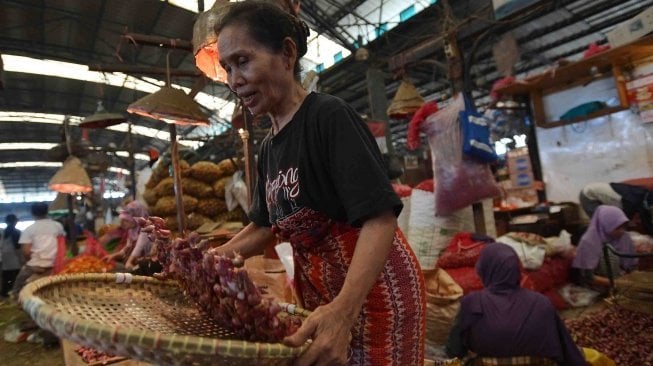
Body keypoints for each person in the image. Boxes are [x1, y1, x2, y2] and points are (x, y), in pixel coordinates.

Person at [211, 2, 426, 365]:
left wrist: (343, 311)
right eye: (227, 68)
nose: (234, 81)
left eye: (243, 61)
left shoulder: (328, 117)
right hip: (325, 298)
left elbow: (380, 219)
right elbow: (265, 225)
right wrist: (206, 261)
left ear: (287, 53)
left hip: (374, 298)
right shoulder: (269, 148)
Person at [446, 242, 586, 365]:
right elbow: (566, 349)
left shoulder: (472, 303)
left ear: (484, 269)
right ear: (516, 269)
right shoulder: (541, 302)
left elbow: (454, 350)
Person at [571, 205, 638, 288]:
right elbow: (588, 277)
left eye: (623, 226)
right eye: (617, 227)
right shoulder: (589, 242)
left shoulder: (624, 237)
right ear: (605, 224)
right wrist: (616, 283)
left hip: (622, 281)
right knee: (608, 252)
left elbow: (632, 266)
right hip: (598, 286)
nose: (621, 231)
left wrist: (631, 280)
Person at [10, 203, 65, 297]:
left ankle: (16, 298)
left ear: (32, 213)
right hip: (56, 265)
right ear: (47, 212)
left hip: (35, 266)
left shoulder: (29, 230)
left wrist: (30, 263)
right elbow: (63, 245)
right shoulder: (58, 226)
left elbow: (26, 251)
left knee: (17, 288)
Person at [102, 200, 157, 274]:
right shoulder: (132, 231)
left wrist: (129, 262)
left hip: (148, 266)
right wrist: (112, 256)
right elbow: (126, 248)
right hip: (137, 263)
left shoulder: (146, 229)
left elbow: (137, 249)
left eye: (126, 220)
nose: (123, 223)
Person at [579, 180, 653, 235]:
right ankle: (606, 251)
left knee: (618, 228)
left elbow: (645, 214)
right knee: (604, 226)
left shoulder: (643, 194)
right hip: (589, 196)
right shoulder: (631, 202)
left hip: (603, 193)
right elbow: (642, 217)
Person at [1, 214, 23, 298]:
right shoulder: (16, 232)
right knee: (16, 276)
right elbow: (18, 247)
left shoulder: (2, 231)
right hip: (14, 256)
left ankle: (4, 292)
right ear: (15, 221)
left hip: (4, 256)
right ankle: (15, 291)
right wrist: (21, 258)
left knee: (6, 275)